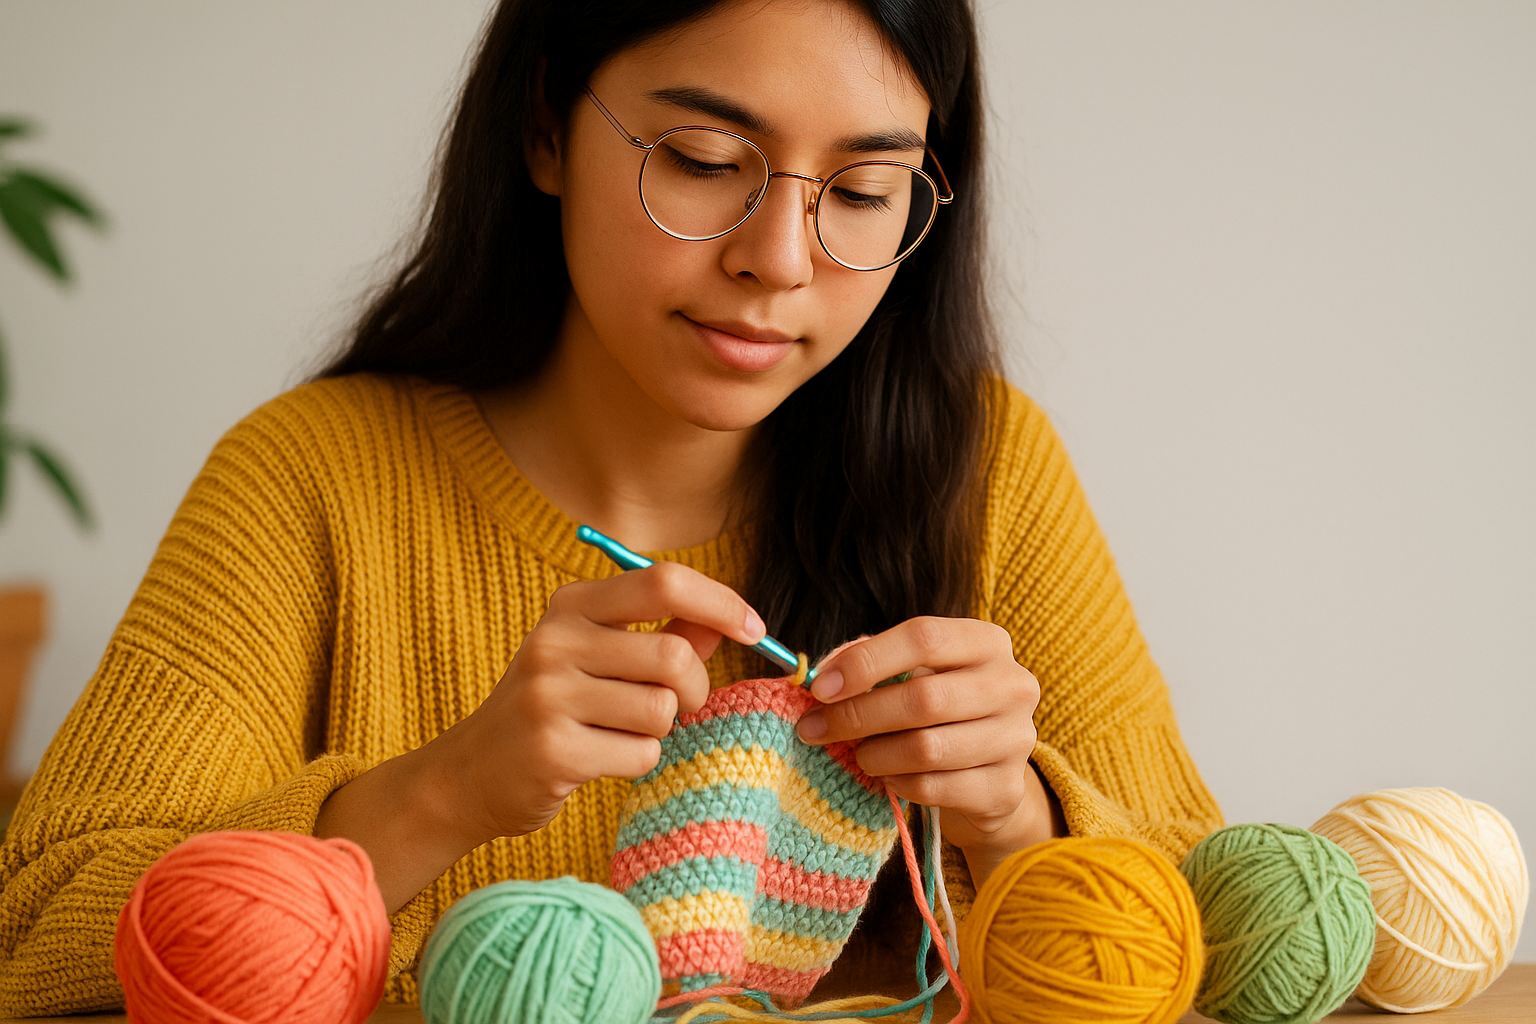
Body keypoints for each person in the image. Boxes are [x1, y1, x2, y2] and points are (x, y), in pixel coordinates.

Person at [0, 0, 1223, 1014]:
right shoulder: (309, 479)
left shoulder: (986, 465)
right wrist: (441, 793)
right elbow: (36, 938)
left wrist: (1020, 816)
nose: (780, 260)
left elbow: (1221, 934)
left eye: (862, 191)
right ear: (544, 128)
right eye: (702, 162)